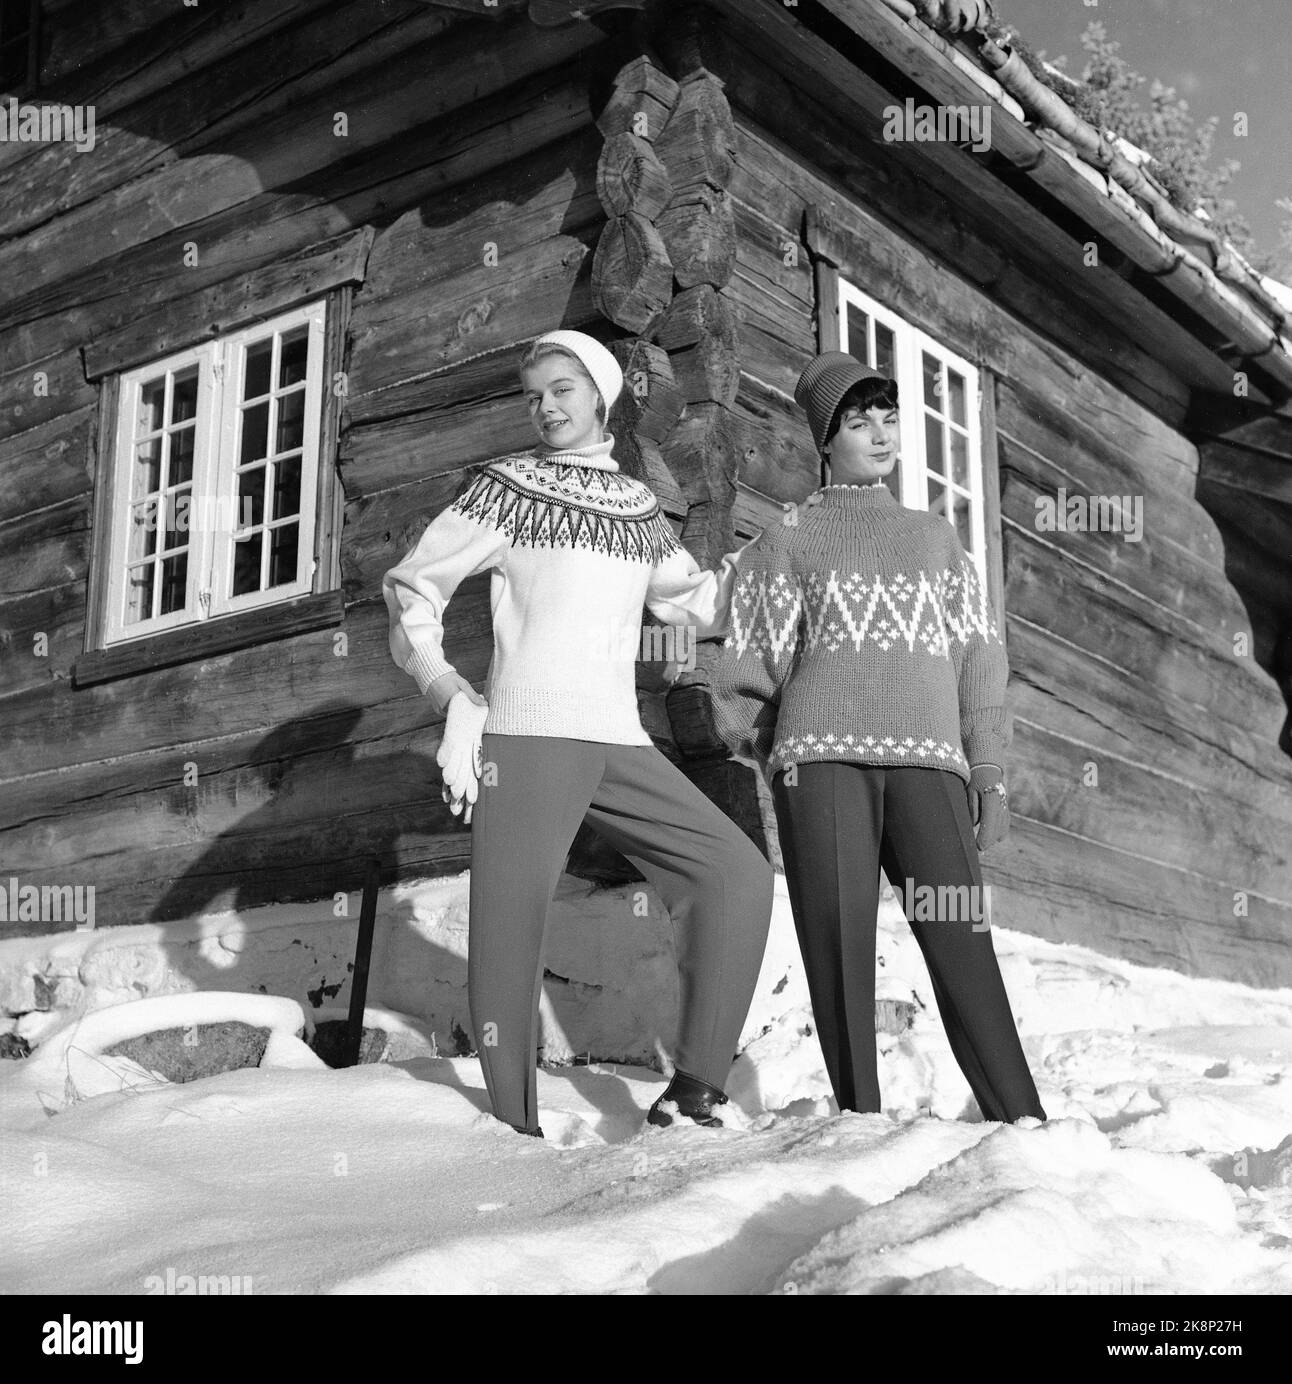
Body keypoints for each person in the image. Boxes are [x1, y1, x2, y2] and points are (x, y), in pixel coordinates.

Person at [383, 328, 774, 1137]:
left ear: (601, 394)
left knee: (735, 871)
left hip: (618, 740)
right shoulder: (507, 490)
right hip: (527, 738)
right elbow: (413, 586)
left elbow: (695, 604)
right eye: (533, 394)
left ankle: (698, 1086)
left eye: (562, 388)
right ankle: (511, 1127)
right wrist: (450, 689)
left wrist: (776, 553)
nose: (546, 406)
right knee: (510, 926)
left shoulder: (635, 506)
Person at [709, 351, 1046, 1123]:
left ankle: (1025, 1125)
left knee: (962, 941)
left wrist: (988, 772)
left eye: (889, 415)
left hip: (929, 766)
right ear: (825, 440)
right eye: (859, 420)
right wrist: (779, 754)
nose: (882, 432)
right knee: (837, 954)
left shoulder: (933, 538)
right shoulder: (784, 543)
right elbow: (742, 676)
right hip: (819, 769)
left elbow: (978, 657)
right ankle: (857, 1123)